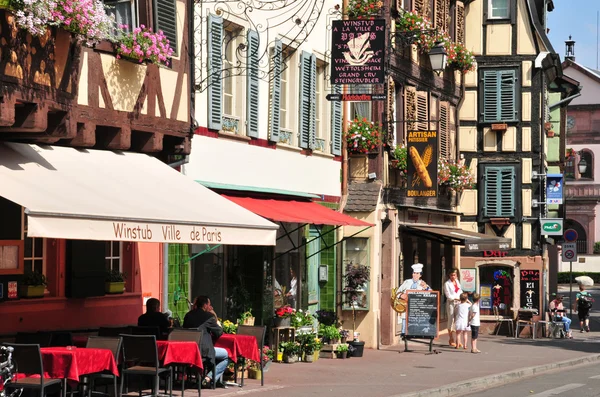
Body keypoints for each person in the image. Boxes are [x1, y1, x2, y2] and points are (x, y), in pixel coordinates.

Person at [183, 295, 229, 387]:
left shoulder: (188, 315)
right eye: (209, 304)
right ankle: (209, 378)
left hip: (189, 349)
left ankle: (205, 378)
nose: (210, 307)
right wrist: (214, 316)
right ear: (204, 305)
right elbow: (219, 332)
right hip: (204, 350)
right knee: (228, 355)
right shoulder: (209, 316)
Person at [397, 263, 430, 335]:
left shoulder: (422, 283)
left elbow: (431, 294)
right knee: (405, 321)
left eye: (417, 273)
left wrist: (426, 288)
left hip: (417, 308)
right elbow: (397, 292)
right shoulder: (407, 282)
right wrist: (401, 295)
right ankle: (404, 334)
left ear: (420, 275)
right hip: (406, 306)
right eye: (414, 273)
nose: (415, 275)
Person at [443, 268, 463, 347]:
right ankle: (451, 339)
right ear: (449, 275)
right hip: (451, 303)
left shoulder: (457, 282)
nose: (453, 277)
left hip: (459, 303)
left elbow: (460, 291)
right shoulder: (446, 284)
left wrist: (462, 298)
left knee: (458, 321)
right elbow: (448, 296)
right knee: (451, 320)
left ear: (456, 275)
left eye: (454, 275)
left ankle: (458, 340)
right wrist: (456, 298)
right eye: (451, 275)